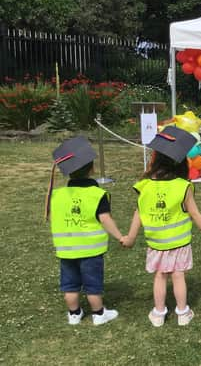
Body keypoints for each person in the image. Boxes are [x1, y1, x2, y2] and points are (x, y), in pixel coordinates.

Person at [122, 126, 201, 327]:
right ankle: (183, 313)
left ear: (156, 159)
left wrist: (131, 237)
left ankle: (159, 313)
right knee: (178, 275)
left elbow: (139, 212)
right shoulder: (183, 186)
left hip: (156, 243)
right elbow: (195, 214)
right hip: (179, 241)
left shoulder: (144, 185)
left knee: (160, 276)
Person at [46, 136, 124, 325]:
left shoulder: (57, 195)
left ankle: (74, 314)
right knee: (92, 285)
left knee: (70, 285)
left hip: (66, 250)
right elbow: (105, 219)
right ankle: (98, 314)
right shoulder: (97, 194)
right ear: (92, 169)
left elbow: (52, 217)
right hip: (90, 251)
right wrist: (121, 237)